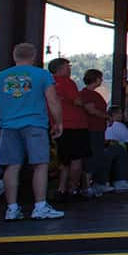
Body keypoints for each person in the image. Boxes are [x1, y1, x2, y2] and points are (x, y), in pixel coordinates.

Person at [0, 42, 64, 220]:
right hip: (35, 124)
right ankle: (39, 206)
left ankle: (12, 208)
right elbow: (53, 101)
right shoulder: (42, 75)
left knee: (12, 166)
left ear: (14, 56)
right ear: (34, 56)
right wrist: (58, 122)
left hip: (8, 126)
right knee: (40, 164)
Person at [50, 59, 96, 200]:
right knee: (76, 160)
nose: (70, 69)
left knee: (64, 161)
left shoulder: (48, 83)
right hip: (75, 125)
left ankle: (61, 189)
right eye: (67, 67)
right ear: (61, 68)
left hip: (58, 125)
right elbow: (76, 100)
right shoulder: (67, 82)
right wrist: (85, 103)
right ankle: (73, 189)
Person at [74, 69, 119, 196]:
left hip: (98, 129)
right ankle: (87, 186)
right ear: (96, 79)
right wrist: (107, 117)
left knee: (98, 155)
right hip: (92, 129)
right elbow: (91, 110)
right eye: (100, 78)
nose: (102, 80)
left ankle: (97, 183)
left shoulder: (93, 94)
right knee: (92, 156)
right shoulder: (87, 94)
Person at [92, 104, 128, 193]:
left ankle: (115, 181)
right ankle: (119, 181)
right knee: (119, 150)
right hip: (115, 147)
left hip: (105, 146)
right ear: (113, 115)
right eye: (120, 113)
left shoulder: (104, 124)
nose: (122, 115)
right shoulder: (118, 125)